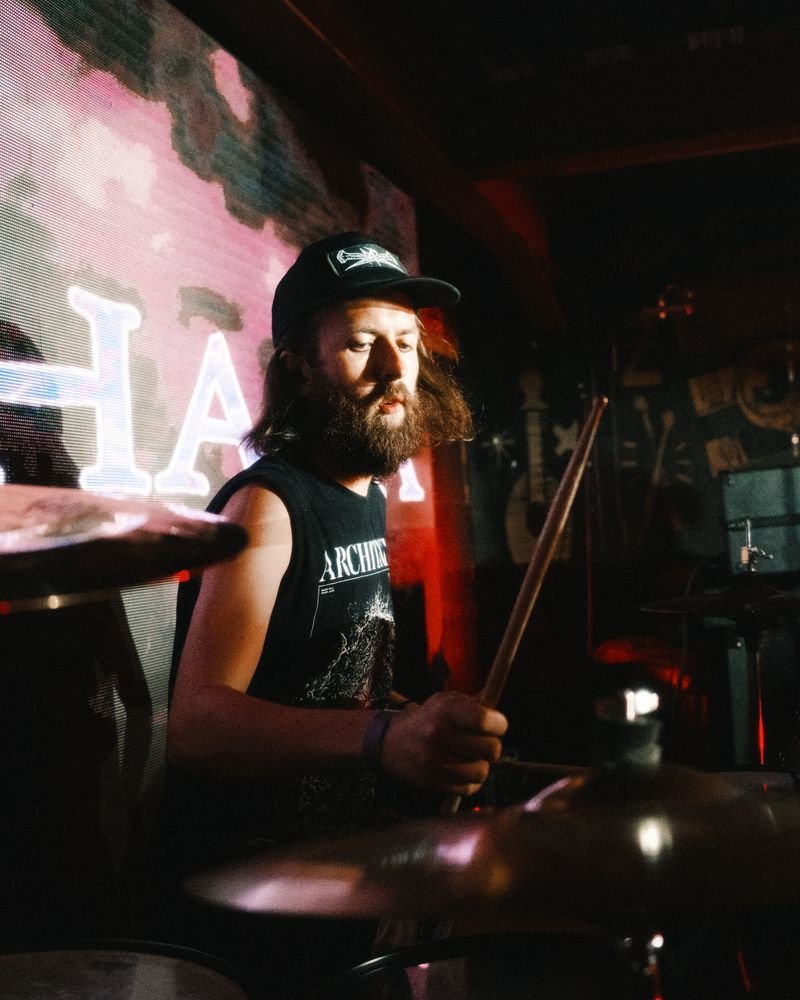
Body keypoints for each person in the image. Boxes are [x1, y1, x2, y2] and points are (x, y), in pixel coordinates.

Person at [156, 232, 508, 995]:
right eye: (360, 344)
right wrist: (384, 736)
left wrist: (426, 724)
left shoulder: (365, 494)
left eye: (407, 343)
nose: (394, 370)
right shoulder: (269, 505)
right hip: (251, 913)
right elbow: (197, 725)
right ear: (298, 368)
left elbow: (324, 679)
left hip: (331, 883)